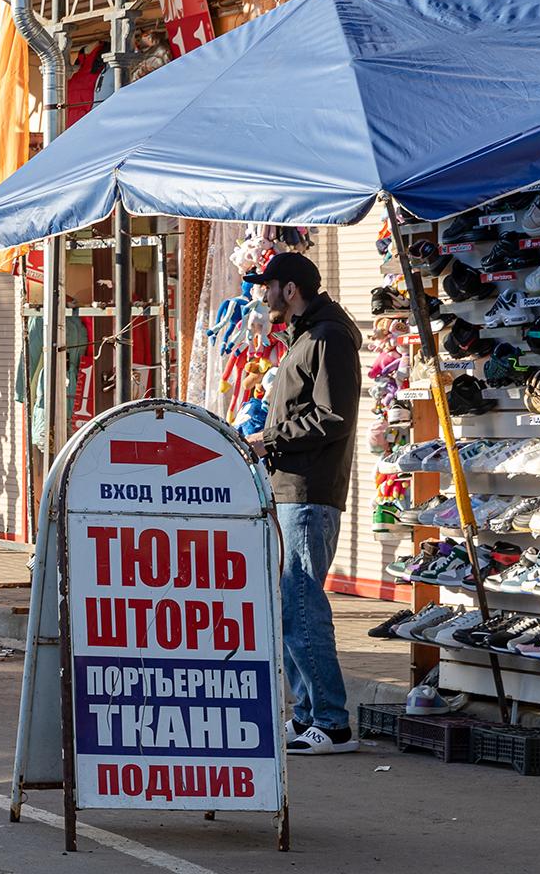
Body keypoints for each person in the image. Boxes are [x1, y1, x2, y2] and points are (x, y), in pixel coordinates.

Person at [242, 252, 363, 756]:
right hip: (291, 489)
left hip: (309, 494)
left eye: (266, 285)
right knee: (290, 606)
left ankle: (333, 723)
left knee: (301, 605)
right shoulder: (308, 336)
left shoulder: (328, 338)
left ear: (290, 289)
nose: (261, 294)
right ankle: (309, 715)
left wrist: (270, 441)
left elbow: (334, 417)